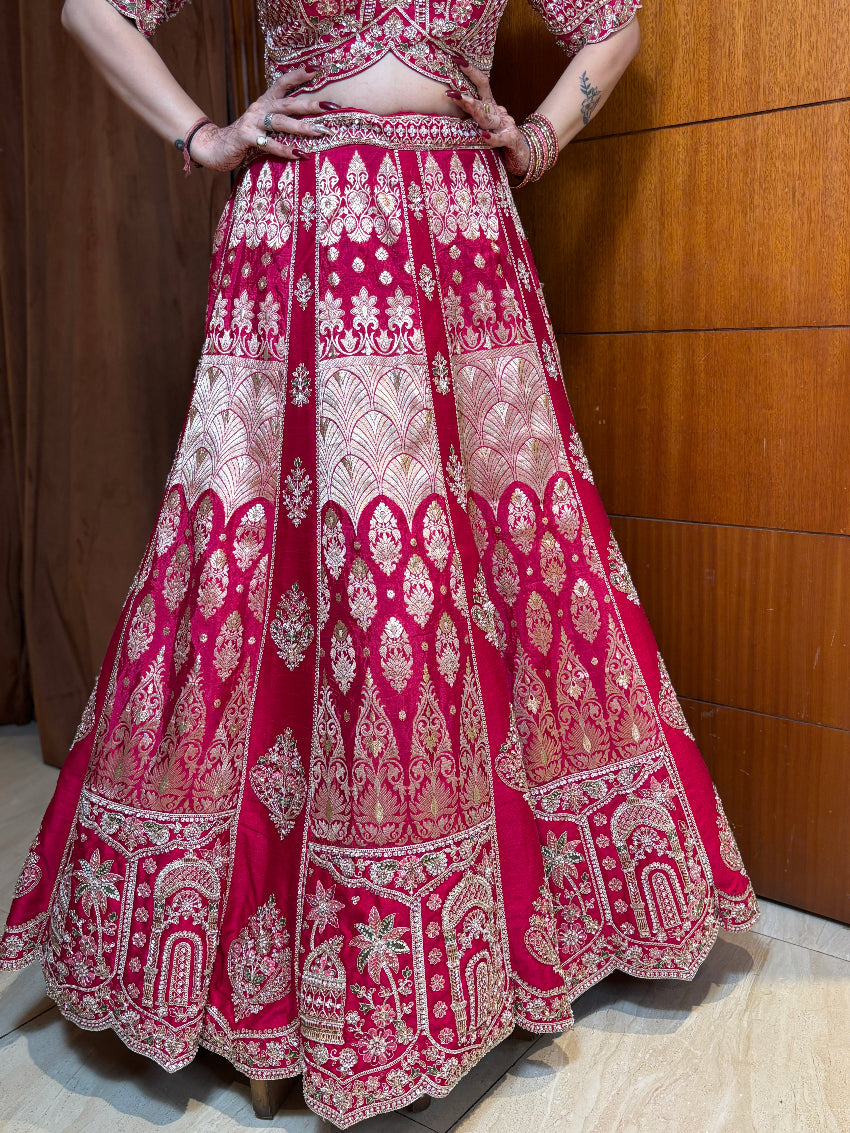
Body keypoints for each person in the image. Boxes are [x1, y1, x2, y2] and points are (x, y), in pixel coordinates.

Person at [0, 0, 758, 1125]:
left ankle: (519, 931)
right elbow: (94, 9)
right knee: (288, 559)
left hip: (461, 222)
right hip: (306, 223)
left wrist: (538, 134)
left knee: (487, 551)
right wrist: (204, 135)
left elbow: (612, 24)